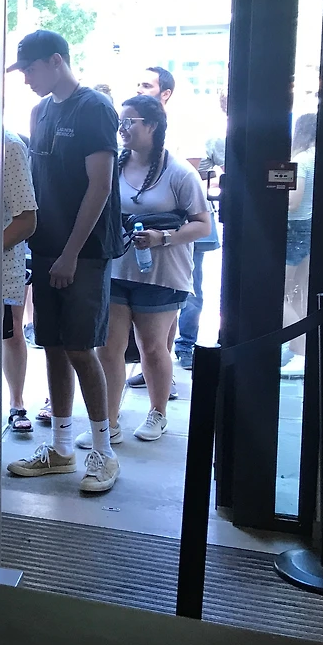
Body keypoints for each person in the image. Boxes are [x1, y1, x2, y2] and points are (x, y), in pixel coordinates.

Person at [6, 30, 123, 494]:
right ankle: (60, 448)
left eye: (31, 69)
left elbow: (101, 186)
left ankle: (104, 452)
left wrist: (71, 253)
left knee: (80, 348)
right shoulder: (40, 112)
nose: (26, 78)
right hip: (45, 247)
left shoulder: (94, 107)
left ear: (57, 61)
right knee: (52, 345)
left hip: (85, 252)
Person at [94, 95, 211, 445]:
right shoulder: (113, 165)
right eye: (120, 121)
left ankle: (157, 412)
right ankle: (107, 421)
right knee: (108, 348)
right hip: (116, 269)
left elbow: (203, 224)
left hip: (162, 275)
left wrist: (163, 238)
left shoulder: (179, 171)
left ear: (152, 126)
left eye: (130, 121)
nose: (122, 128)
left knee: (152, 347)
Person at [174, 88, 227, 370]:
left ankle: (186, 345)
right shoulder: (142, 133)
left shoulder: (205, 137)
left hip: (193, 221)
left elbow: (228, 170)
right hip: (159, 225)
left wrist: (210, 182)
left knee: (191, 285)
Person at [2, 130, 38, 434]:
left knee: (13, 328)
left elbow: (28, 217)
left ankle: (17, 402)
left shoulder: (13, 146)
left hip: (11, 253)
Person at [282, 113, 318, 364]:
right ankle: (300, 352)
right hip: (310, 227)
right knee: (299, 293)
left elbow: (293, 202)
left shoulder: (301, 160)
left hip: (294, 228)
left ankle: (300, 345)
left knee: (277, 294)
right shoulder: (320, 157)